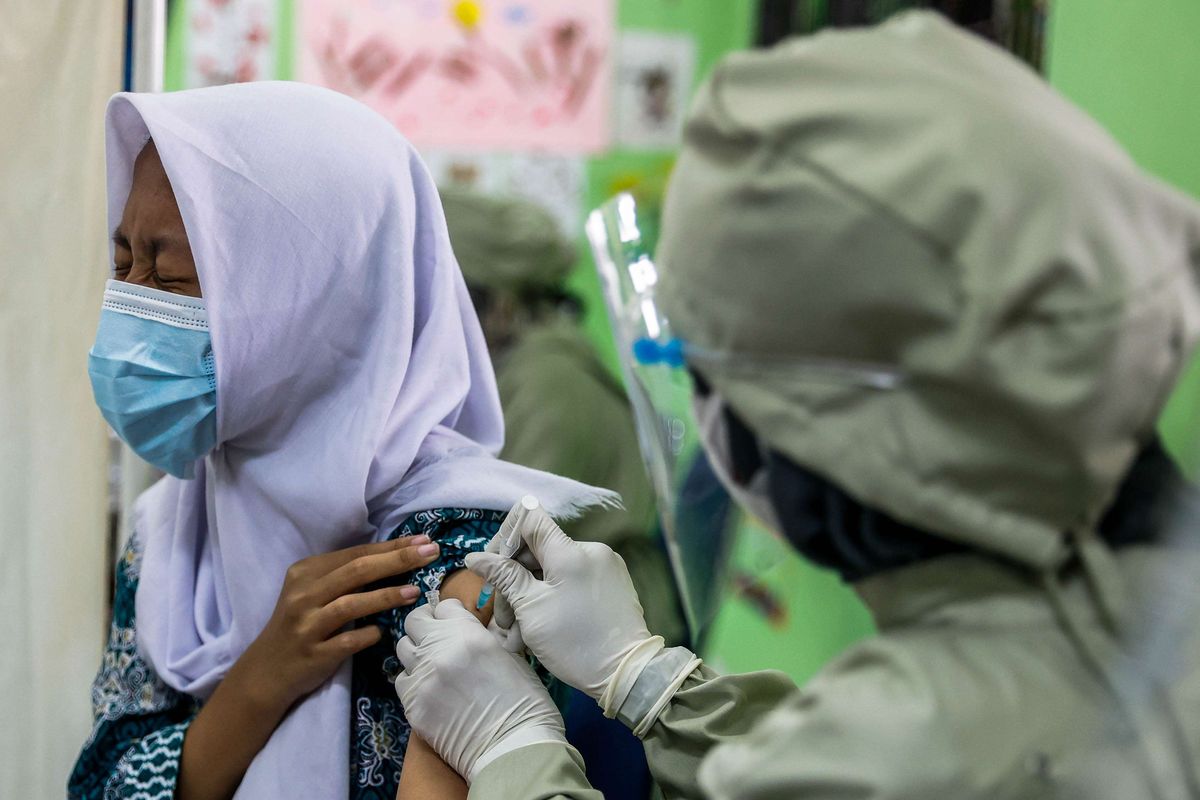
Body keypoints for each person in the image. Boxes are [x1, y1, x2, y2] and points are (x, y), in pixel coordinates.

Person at [391, 12, 1200, 799]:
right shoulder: (1133, 613)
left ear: (837, 428)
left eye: (717, 385)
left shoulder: (913, 752)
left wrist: (513, 752)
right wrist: (651, 683)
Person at [68, 81, 615, 800]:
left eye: (169, 274)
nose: (133, 304)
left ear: (305, 296)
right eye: (123, 264)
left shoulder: (466, 547)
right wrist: (259, 683)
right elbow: (103, 778)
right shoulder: (171, 529)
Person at [439, 189, 686, 798]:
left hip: (596, 675)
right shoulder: (531, 371)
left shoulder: (547, 378)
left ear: (495, 305)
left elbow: (502, 547)